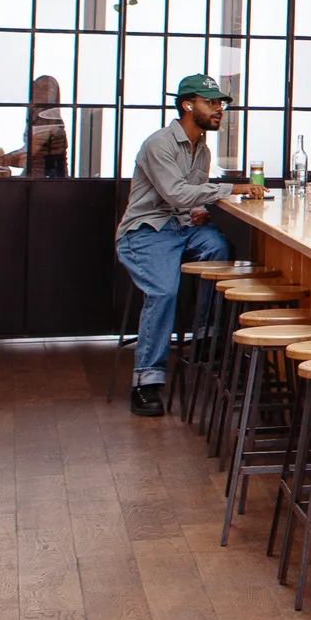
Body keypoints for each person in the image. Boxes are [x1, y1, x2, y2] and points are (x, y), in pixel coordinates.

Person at [114, 75, 234, 417]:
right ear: (187, 104)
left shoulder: (203, 150)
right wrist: (230, 190)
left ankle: (205, 338)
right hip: (145, 232)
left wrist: (196, 212)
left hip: (180, 228)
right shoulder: (159, 144)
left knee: (218, 248)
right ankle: (145, 382)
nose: (218, 110)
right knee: (164, 291)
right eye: (211, 103)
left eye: (220, 104)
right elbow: (176, 193)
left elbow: (187, 201)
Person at [0, 75, 69, 177]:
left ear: (53, 96)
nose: (37, 91)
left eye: (45, 88)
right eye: (35, 86)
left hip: (48, 182)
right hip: (35, 177)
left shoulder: (50, 120)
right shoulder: (36, 116)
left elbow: (26, 154)